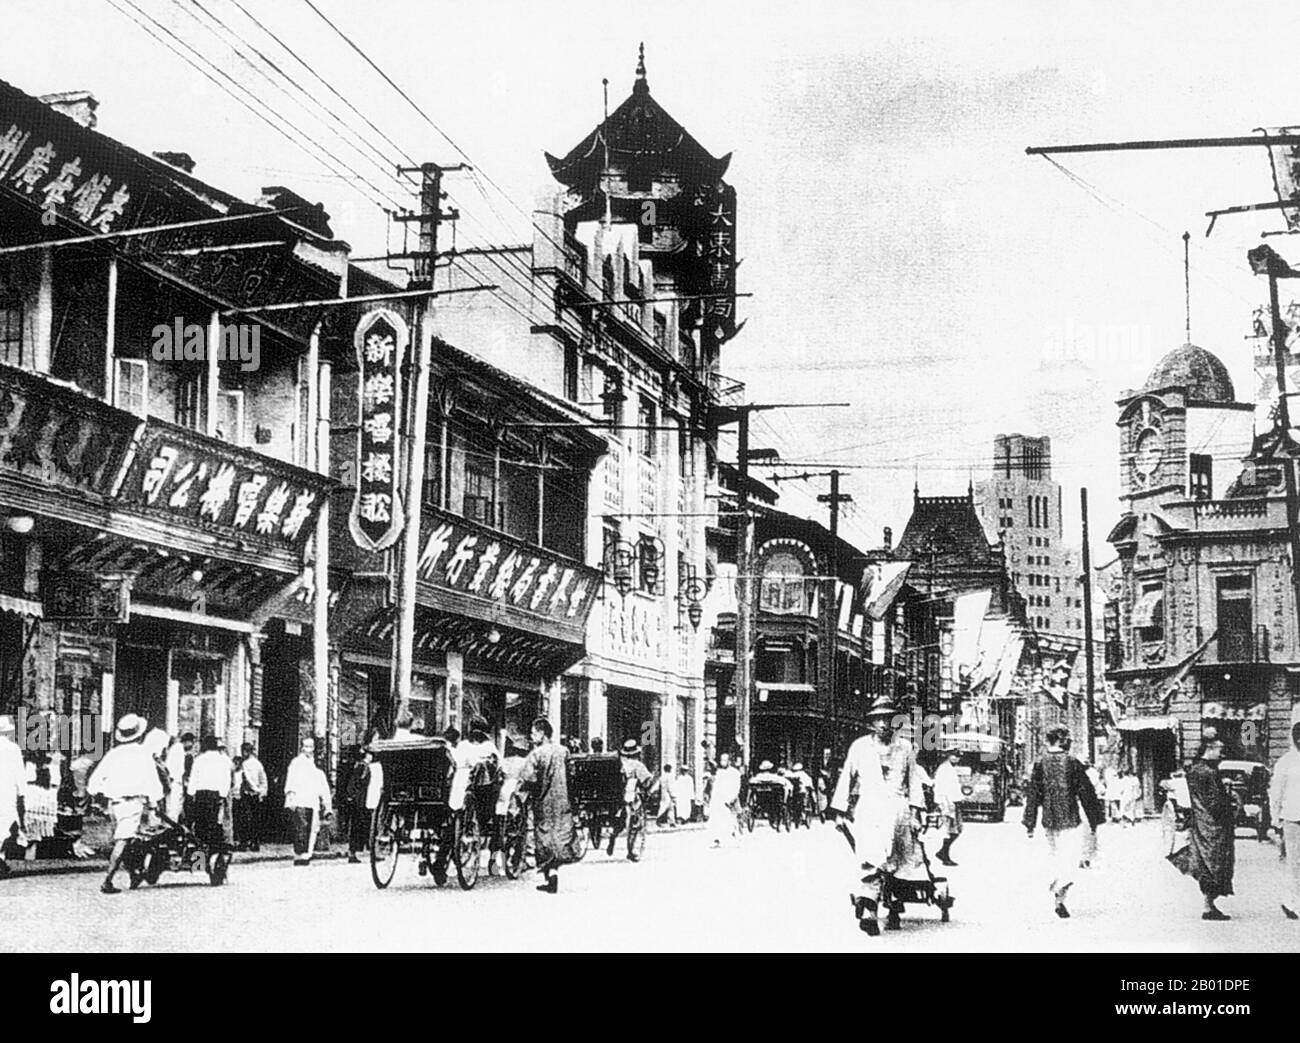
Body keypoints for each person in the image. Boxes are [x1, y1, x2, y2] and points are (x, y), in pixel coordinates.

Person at [830, 701, 927, 935]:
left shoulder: (905, 748)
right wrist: (839, 812)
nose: (883, 724)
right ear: (871, 723)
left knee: (896, 863)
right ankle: (870, 914)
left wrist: (915, 814)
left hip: (898, 810)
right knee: (871, 860)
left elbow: (913, 782)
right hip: (870, 809)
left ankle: (893, 906)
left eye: (888, 718)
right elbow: (847, 778)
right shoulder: (860, 747)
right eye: (878, 719)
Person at [1023, 727, 1103, 919]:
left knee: (1056, 857)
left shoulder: (1040, 764)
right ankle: (1059, 892)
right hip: (1070, 818)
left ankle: (1059, 898)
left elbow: (1033, 794)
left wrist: (1030, 822)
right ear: (1062, 740)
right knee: (1070, 859)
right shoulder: (1073, 763)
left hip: (1049, 820)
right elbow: (1086, 792)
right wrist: (1094, 819)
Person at [88, 714, 165, 895]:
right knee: (124, 840)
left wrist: (99, 793)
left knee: (126, 839)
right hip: (134, 803)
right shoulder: (143, 754)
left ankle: (133, 873)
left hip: (114, 804)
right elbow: (153, 782)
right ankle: (107, 880)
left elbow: (94, 782)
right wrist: (155, 801)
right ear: (139, 734)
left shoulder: (113, 754)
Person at [1170, 736, 1235, 920]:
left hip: (1200, 822)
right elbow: (1215, 801)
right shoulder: (1209, 772)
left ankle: (1209, 904)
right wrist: (1230, 807)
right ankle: (1208, 906)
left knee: (1204, 862)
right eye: (1220, 750)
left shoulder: (1194, 770)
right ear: (1210, 748)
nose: (1222, 754)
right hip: (1214, 825)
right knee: (1215, 863)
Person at [516, 717, 580, 893]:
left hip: (543, 803)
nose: (531, 736)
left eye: (534, 732)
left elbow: (529, 778)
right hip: (562, 801)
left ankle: (550, 877)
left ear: (542, 733)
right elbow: (573, 776)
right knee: (559, 839)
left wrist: (523, 790)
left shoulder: (536, 754)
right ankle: (553, 875)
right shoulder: (564, 751)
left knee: (544, 839)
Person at [186, 735, 233, 873]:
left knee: (200, 828)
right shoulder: (224, 760)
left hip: (200, 795)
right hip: (216, 795)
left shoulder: (199, 760)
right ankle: (214, 857)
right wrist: (222, 796)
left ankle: (198, 863)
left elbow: (193, 779)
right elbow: (226, 780)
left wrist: (190, 795)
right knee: (216, 827)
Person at [284, 737, 332, 866]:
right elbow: (291, 781)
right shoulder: (296, 763)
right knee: (301, 828)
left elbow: (322, 786)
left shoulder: (315, 767)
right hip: (300, 800)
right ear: (301, 747)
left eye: (311, 747)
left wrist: (327, 806)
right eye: (306, 746)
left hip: (312, 801)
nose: (308, 750)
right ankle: (299, 854)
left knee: (312, 829)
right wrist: (290, 799)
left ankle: (306, 854)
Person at [1270, 722, 1300, 921]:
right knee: (1295, 864)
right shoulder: (1286, 762)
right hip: (1293, 819)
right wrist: (1275, 821)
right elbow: (1276, 794)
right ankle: (1293, 904)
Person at [606, 739, 653, 858]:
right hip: (632, 796)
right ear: (636, 753)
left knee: (620, 821)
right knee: (634, 823)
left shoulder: (618, 763)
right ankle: (630, 851)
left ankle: (613, 835)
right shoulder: (638, 765)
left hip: (617, 795)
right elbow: (647, 781)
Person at [0, 716, 27, 878]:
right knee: (5, 824)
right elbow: (19, 773)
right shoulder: (13, 748)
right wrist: (22, 792)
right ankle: (0, 859)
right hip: (7, 791)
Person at [232, 742, 267, 851]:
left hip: (247, 794)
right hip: (256, 795)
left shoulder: (245, 764)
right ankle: (255, 843)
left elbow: (247, 780)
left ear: (246, 752)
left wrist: (255, 789)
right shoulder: (258, 764)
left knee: (244, 820)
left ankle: (244, 842)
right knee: (255, 820)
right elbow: (263, 779)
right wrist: (262, 791)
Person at [343, 742, 374, 864]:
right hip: (358, 801)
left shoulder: (361, 766)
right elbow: (354, 782)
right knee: (356, 827)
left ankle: (354, 852)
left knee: (357, 827)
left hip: (359, 801)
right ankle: (352, 853)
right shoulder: (363, 767)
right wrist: (352, 796)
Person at [932, 750, 963, 867]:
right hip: (947, 802)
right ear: (949, 756)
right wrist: (945, 803)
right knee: (950, 831)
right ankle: (944, 854)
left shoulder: (950, 768)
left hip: (953, 802)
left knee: (956, 830)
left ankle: (943, 852)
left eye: (958, 757)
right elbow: (941, 788)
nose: (957, 759)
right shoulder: (944, 769)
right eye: (955, 756)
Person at [707, 752, 742, 847]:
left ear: (729, 761)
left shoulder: (735, 773)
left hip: (729, 801)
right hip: (718, 801)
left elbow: (736, 788)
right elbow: (716, 788)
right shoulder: (719, 773)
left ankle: (735, 838)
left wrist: (731, 799)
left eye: (725, 760)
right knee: (716, 821)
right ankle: (716, 840)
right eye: (721, 760)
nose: (723, 762)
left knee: (731, 821)